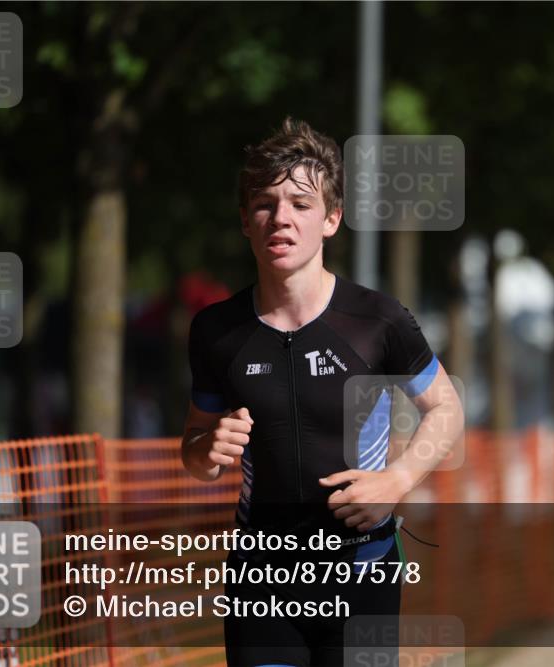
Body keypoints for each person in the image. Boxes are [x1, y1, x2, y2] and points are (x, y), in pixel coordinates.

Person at [181, 118, 464, 667]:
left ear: (332, 218)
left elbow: (446, 408)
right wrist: (204, 447)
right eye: (264, 203)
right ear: (245, 220)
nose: (280, 217)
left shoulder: (375, 320)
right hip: (261, 579)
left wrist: (397, 481)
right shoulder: (215, 330)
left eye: (300, 203)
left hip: (362, 572)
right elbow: (197, 454)